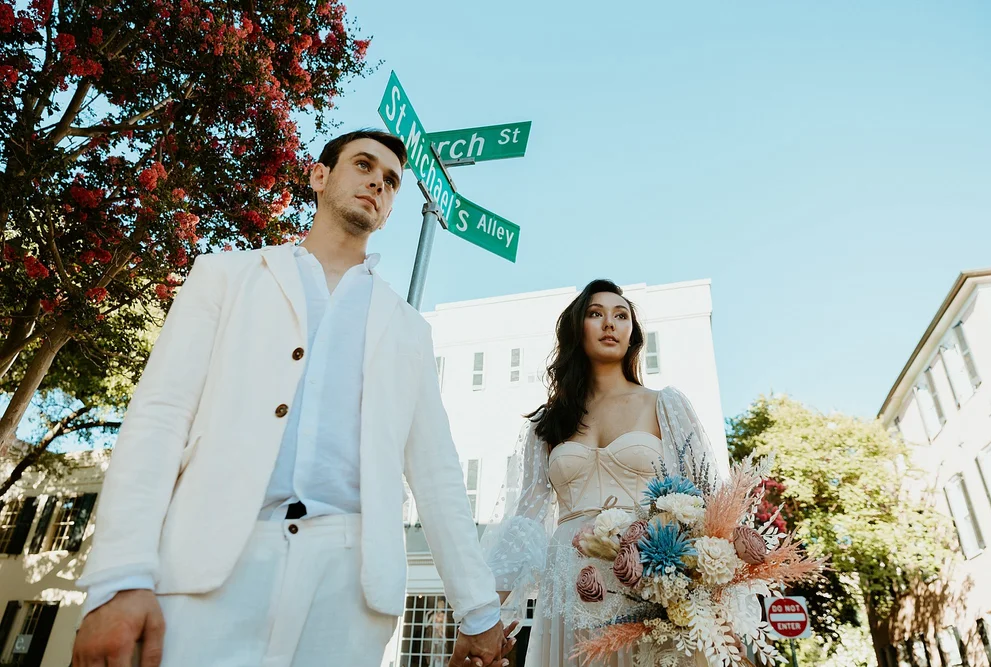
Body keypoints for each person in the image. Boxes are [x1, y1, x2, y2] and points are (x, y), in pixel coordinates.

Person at [72, 129, 513, 667]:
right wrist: (119, 577)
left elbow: (438, 473)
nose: (378, 181)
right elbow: (160, 419)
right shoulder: (224, 277)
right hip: (208, 569)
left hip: (349, 589)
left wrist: (478, 610)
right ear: (320, 175)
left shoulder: (408, 330)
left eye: (391, 181)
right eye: (363, 165)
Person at [481, 279, 720, 666]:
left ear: (632, 335)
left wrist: (719, 610)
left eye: (620, 315)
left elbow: (708, 506)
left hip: (648, 581)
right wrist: (485, 616)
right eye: (596, 314)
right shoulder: (548, 423)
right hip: (566, 590)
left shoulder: (665, 405)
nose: (610, 323)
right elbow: (525, 521)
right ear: (578, 329)